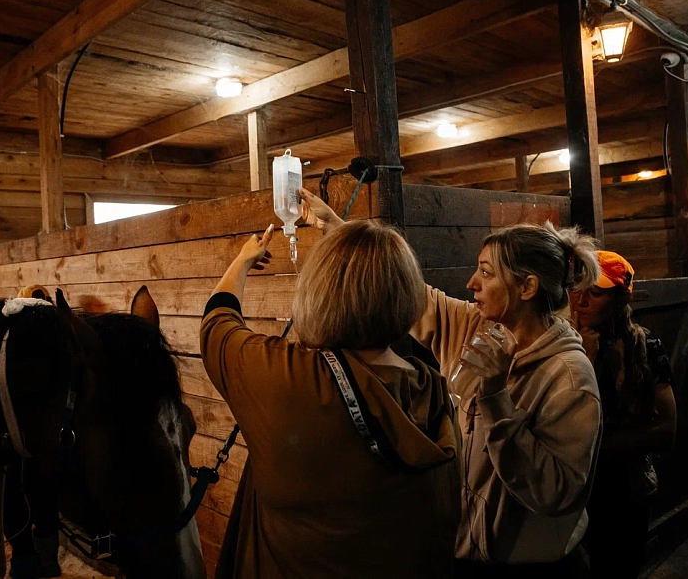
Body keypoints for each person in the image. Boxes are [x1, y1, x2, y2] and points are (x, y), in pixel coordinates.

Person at [298, 188, 602, 579]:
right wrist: (336, 228)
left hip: (533, 568)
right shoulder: (475, 328)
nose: (471, 282)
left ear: (526, 288)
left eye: (487, 273)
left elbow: (556, 492)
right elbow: (404, 291)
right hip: (461, 556)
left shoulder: (570, 376)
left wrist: (496, 399)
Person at [200, 219, 462, 578]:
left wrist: (242, 262)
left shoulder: (287, 378)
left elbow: (217, 324)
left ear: (317, 293)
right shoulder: (433, 391)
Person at [570, 251, 677, 579]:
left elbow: (667, 429)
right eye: (577, 288)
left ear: (620, 299)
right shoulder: (561, 348)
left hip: (624, 491)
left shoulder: (643, 346)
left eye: (596, 292)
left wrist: (595, 447)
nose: (582, 300)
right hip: (571, 493)